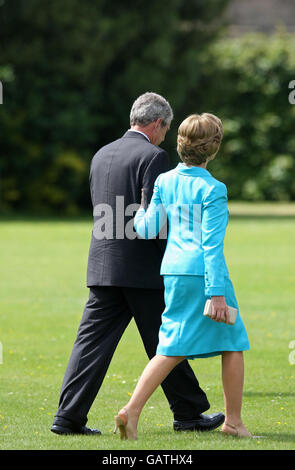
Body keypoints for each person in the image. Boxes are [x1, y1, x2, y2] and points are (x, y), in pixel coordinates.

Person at [51, 93, 225, 435]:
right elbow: (154, 218)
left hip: (103, 265)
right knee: (169, 341)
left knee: (90, 346)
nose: (165, 136)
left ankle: (67, 418)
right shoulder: (153, 156)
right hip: (144, 268)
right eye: (166, 128)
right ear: (157, 123)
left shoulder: (102, 154)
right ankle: (188, 413)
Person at [114, 113, 251, 440]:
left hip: (173, 271)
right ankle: (233, 422)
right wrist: (216, 291)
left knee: (171, 347)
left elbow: (145, 228)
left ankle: (131, 412)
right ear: (213, 148)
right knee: (233, 342)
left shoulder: (164, 181)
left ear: (180, 144)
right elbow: (211, 246)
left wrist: (143, 205)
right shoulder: (214, 189)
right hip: (203, 273)